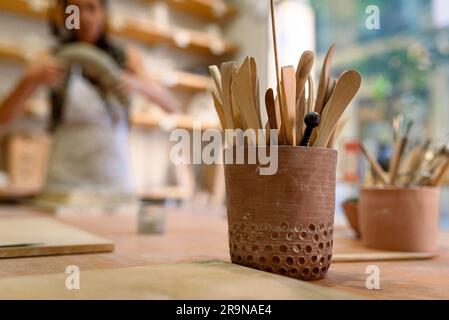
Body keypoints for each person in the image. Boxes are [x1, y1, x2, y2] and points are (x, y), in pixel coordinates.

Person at [0, 0, 180, 200]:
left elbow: (172, 107)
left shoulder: (126, 58)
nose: (84, 17)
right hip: (64, 179)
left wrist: (139, 84)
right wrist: (30, 80)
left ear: (103, 12)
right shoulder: (51, 57)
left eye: (91, 8)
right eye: (75, 10)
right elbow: (4, 117)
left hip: (114, 177)